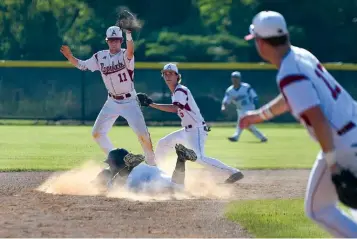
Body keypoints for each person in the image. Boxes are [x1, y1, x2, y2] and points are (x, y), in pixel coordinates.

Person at [240, 10, 357, 237]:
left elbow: (318, 120)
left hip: (341, 144)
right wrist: (258, 116)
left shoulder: (288, 72)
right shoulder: (301, 55)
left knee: (319, 209)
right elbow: (292, 98)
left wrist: (333, 166)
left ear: (262, 43)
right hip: (351, 132)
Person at [60, 26, 156, 166]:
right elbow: (83, 65)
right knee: (97, 133)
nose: (114, 42)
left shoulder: (125, 55)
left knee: (143, 134)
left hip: (129, 101)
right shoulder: (100, 56)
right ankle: (118, 161)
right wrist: (70, 56)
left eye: (116, 40)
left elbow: (130, 51)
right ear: (107, 41)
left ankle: (152, 164)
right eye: (111, 40)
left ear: (121, 41)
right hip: (112, 101)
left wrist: (129, 34)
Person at [146, 63, 244, 184]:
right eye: (165, 73)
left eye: (171, 73)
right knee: (163, 143)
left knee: (199, 158)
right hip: (187, 130)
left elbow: (175, 108)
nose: (168, 76)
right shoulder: (176, 91)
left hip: (196, 129)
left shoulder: (180, 90)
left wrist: (152, 104)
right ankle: (156, 174)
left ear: (177, 76)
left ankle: (233, 172)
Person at [95, 144, 197, 193]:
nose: (109, 166)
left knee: (114, 188)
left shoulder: (108, 174)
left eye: (111, 163)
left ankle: (128, 168)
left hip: (137, 177)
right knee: (177, 187)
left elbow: (96, 186)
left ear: (117, 163)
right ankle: (181, 159)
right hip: (152, 171)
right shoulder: (142, 167)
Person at [221, 71, 267, 142]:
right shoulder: (230, 90)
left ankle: (236, 137)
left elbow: (255, 96)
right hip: (240, 109)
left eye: (237, 78)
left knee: (242, 121)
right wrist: (223, 107)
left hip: (249, 107)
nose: (235, 79)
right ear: (231, 79)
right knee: (247, 124)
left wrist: (257, 106)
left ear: (240, 79)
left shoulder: (246, 87)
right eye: (233, 78)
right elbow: (226, 101)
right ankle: (262, 137)